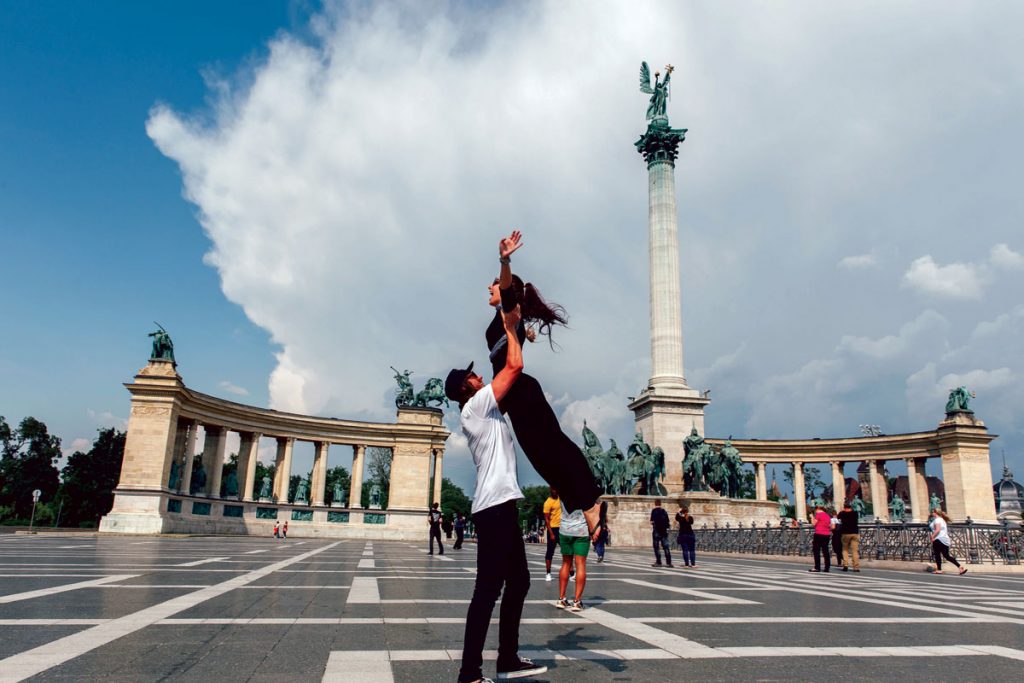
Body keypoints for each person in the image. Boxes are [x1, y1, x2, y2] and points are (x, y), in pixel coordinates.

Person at [445, 302, 546, 683]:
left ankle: (506, 657)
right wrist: (509, 326)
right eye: (472, 375)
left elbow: (511, 372)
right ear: (465, 387)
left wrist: (518, 333)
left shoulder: (484, 409)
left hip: (501, 506)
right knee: (487, 589)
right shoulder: (475, 407)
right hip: (494, 508)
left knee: (518, 582)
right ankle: (470, 671)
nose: (477, 376)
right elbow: (513, 368)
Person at [486, 231, 602, 538]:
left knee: (553, 444)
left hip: (521, 391)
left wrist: (505, 260)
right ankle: (578, 499)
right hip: (513, 395)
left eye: (493, 285)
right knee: (539, 455)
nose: (490, 287)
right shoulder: (510, 316)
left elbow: (509, 289)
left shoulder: (510, 310)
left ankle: (590, 501)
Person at [554, 501, 590, 611]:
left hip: (565, 530)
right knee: (580, 565)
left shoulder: (562, 487)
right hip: (581, 530)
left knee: (565, 563)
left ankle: (561, 599)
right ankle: (577, 602)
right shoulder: (584, 489)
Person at [929, 509, 967, 575]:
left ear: (935, 513)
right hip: (945, 540)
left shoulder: (937, 520)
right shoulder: (942, 520)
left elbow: (937, 530)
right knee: (947, 556)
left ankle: (939, 569)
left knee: (937, 555)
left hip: (938, 539)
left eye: (932, 512)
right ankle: (960, 567)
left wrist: (932, 536)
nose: (932, 513)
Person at [543, 488, 561, 582]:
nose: (555, 491)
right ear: (550, 490)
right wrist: (551, 533)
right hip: (553, 529)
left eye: (556, 489)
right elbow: (546, 519)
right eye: (553, 489)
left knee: (567, 552)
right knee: (550, 552)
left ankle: (571, 574)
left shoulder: (561, 498)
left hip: (562, 528)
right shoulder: (547, 502)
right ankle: (548, 573)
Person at [837, 500, 861, 572]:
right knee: (855, 551)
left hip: (845, 533)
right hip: (855, 533)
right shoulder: (855, 513)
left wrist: (842, 511)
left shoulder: (842, 513)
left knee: (845, 550)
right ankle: (856, 567)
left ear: (844, 508)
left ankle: (845, 565)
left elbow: (838, 517)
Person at [809, 503, 833, 572]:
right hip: (826, 534)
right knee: (825, 551)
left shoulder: (818, 515)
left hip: (819, 533)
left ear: (817, 509)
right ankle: (827, 567)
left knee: (816, 551)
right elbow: (830, 525)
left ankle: (817, 567)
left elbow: (814, 524)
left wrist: (811, 517)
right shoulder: (827, 516)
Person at [650, 499, 673, 567]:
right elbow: (667, 521)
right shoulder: (664, 511)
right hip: (664, 532)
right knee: (666, 547)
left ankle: (659, 562)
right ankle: (669, 562)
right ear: (660, 504)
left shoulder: (654, 511)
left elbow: (651, 521)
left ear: (655, 503)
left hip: (656, 531)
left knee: (656, 547)